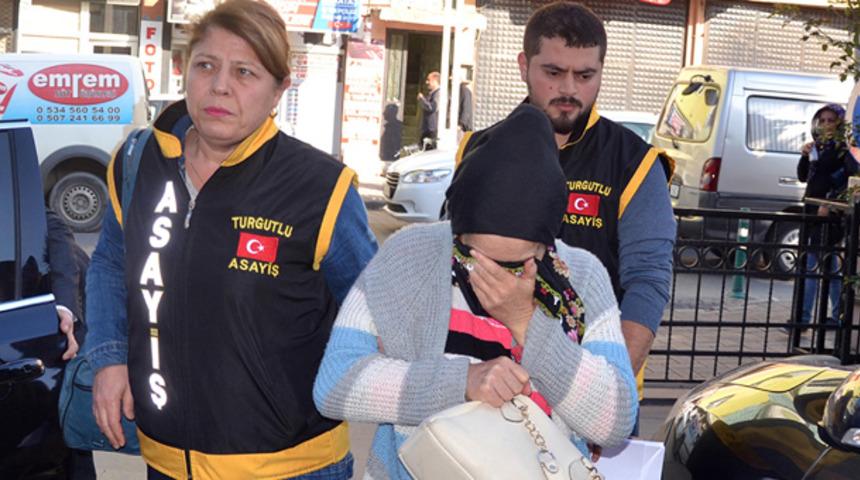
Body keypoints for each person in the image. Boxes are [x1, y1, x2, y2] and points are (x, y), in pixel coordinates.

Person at [84, 1, 377, 478]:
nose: (220, 86)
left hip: (292, 467)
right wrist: (110, 357)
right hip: (166, 463)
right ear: (182, 70)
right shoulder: (136, 162)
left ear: (280, 89)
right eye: (206, 66)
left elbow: (376, 312)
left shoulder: (322, 190)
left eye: (245, 72)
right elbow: (112, 263)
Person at [314, 104, 637, 479]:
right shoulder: (410, 255)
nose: (491, 275)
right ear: (457, 228)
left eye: (514, 265)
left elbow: (613, 421)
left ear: (545, 246)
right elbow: (335, 384)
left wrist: (525, 322)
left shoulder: (580, 277)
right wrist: (462, 382)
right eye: (472, 257)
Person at [456, 1, 675, 427]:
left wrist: (606, 392)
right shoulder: (477, 149)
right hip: (487, 385)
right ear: (524, 65)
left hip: (588, 387)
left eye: (585, 75)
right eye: (553, 73)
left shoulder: (636, 163)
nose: (569, 89)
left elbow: (647, 285)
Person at [792, 104, 856, 332]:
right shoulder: (818, 147)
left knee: (813, 265)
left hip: (828, 214)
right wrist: (805, 155)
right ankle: (837, 316)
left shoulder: (841, 149)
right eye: (823, 120)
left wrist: (830, 202)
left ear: (839, 123)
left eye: (831, 120)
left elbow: (848, 176)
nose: (827, 124)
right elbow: (803, 176)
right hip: (812, 212)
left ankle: (803, 319)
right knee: (828, 268)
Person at [47, 209, 96, 479]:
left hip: (69, 336)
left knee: (72, 444)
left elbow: (62, 249)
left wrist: (65, 309)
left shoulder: (40, 218)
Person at [417, 71, 440, 147]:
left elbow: (432, 108)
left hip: (431, 129)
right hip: (427, 129)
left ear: (435, 81)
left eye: (429, 80)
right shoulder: (432, 93)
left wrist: (422, 99)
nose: (427, 82)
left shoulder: (438, 94)